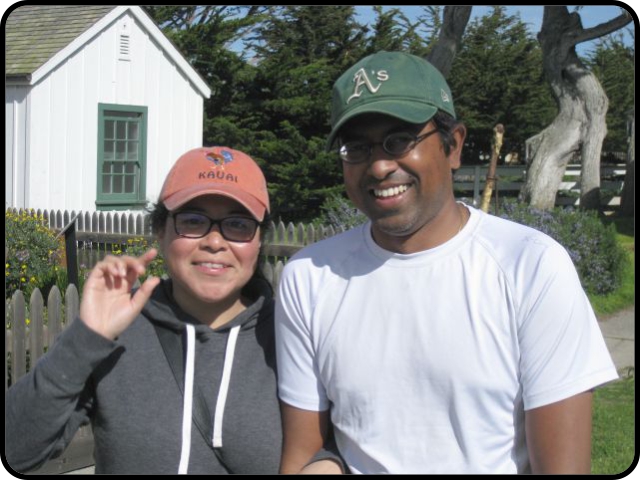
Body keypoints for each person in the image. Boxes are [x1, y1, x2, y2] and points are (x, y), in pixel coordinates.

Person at [274, 51, 619, 474]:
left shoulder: (531, 266)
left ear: (453, 145)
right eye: (357, 148)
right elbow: (303, 456)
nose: (379, 166)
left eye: (399, 140)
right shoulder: (309, 278)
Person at [6, 147, 283, 474]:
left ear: (259, 241)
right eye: (193, 221)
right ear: (161, 232)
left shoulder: (290, 337)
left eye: (237, 225)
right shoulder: (123, 330)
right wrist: (86, 338)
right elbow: (17, 451)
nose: (214, 241)